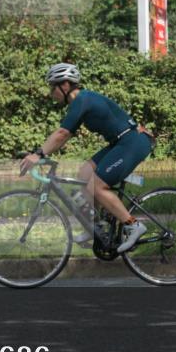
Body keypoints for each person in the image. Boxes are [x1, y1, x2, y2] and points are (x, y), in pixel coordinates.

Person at [19, 62, 155, 253]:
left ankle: (133, 224)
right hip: (120, 142)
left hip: (132, 142)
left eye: (53, 87)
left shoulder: (82, 100)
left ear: (65, 85)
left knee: (96, 187)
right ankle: (96, 227)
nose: (51, 93)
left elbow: (62, 134)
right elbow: (63, 136)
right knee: (84, 174)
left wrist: (39, 154)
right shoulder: (81, 101)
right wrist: (39, 151)